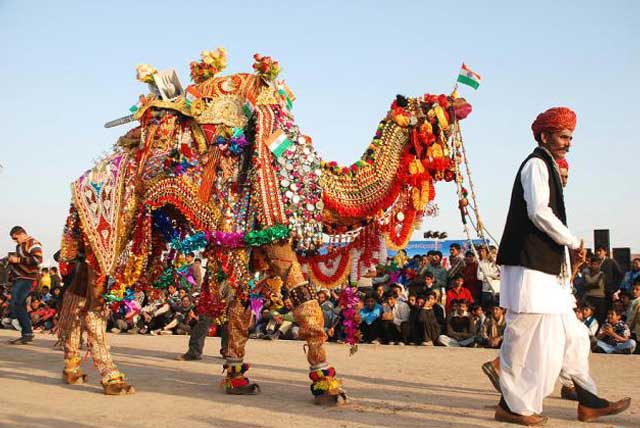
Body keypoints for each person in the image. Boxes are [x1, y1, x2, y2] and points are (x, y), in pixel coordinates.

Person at [493, 107, 630, 425]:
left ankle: (588, 400)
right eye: (564, 136)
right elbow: (539, 212)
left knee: (571, 337)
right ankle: (511, 405)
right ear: (544, 136)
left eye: (571, 137)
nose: (569, 142)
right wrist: (573, 241)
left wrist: (569, 255)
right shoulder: (536, 165)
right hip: (529, 268)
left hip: (547, 272)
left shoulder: (548, 167)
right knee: (523, 339)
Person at [6, 226, 43, 345]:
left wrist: (17, 260)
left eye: (16, 238)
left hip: (27, 278)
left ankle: (27, 332)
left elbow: (37, 260)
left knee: (16, 304)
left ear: (22, 234)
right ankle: (27, 333)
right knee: (18, 304)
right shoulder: (20, 246)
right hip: (20, 278)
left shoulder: (33, 243)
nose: (15, 241)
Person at [581, 256, 607, 323]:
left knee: (599, 318)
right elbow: (583, 284)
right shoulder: (586, 272)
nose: (594, 266)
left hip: (599, 298)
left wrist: (588, 285)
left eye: (596, 264)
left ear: (599, 265)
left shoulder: (601, 274)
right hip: (589, 297)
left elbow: (598, 285)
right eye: (592, 264)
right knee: (587, 317)